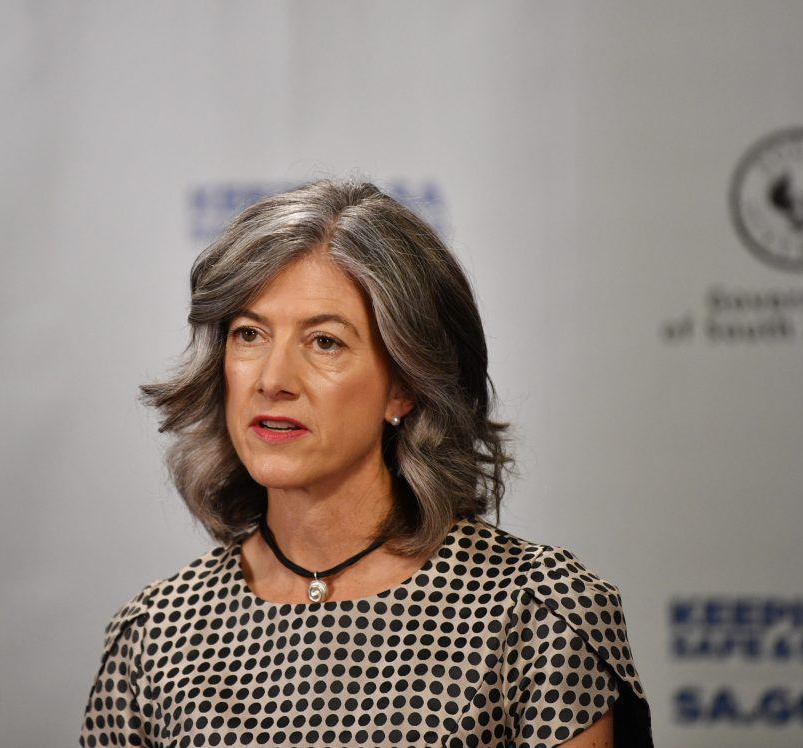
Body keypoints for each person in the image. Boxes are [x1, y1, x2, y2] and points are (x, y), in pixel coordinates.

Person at [80, 180, 653, 747]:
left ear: (403, 386)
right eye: (249, 334)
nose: (273, 380)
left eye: (324, 342)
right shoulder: (154, 634)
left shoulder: (536, 614)